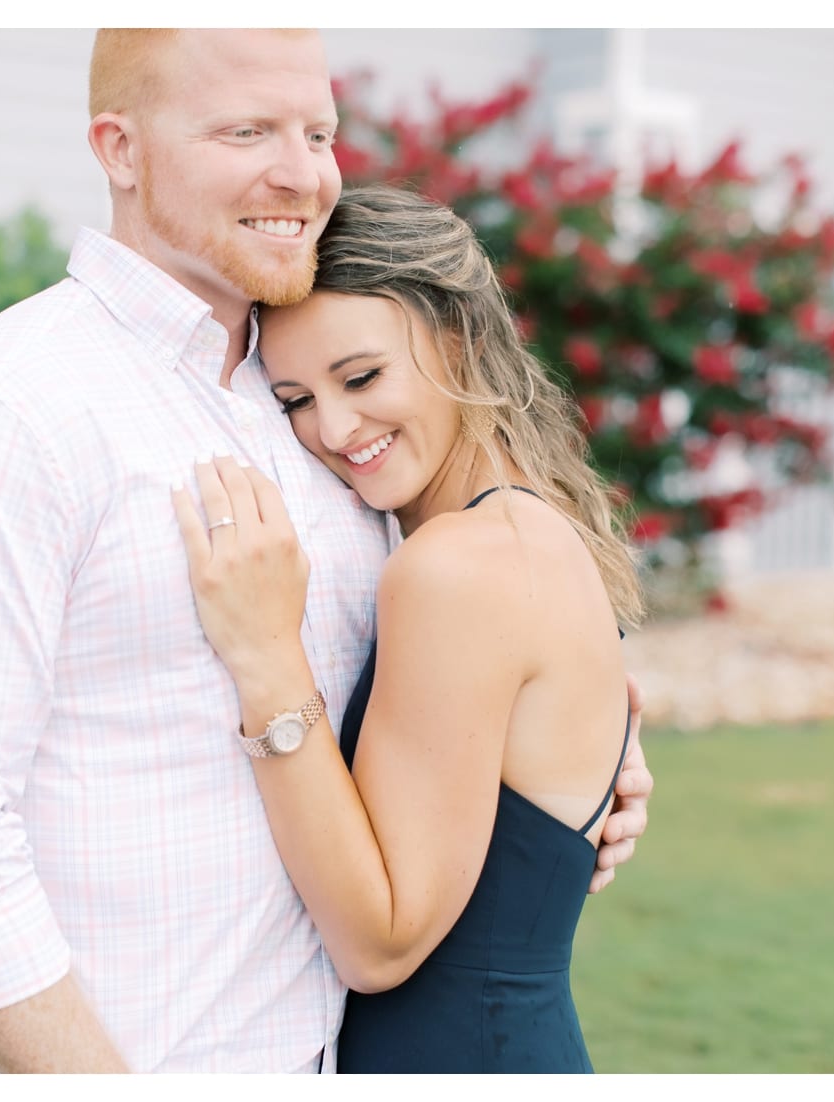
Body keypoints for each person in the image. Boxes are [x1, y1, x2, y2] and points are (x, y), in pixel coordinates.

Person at [0, 29, 651, 1074]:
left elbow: (441, 668)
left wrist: (564, 771)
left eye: (318, 131)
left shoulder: (299, 403)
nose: (300, 171)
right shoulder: (6, 418)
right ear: (120, 149)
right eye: (246, 130)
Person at [171, 183, 647, 1072]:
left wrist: (268, 659)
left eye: (361, 377)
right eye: (294, 400)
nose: (335, 429)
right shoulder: (527, 529)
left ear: (459, 336)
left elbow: (380, 945)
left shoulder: (453, 567)